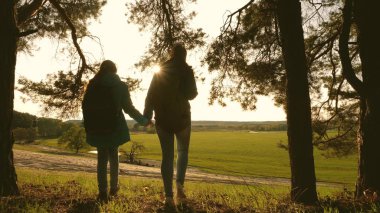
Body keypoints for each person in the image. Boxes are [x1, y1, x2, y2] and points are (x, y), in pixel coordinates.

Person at [82, 60, 150, 202]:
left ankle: (102, 192)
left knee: (102, 159)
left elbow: (86, 108)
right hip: (114, 127)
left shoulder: (92, 85)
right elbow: (129, 109)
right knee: (114, 156)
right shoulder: (120, 86)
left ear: (101, 70)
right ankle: (114, 188)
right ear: (115, 71)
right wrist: (144, 121)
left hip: (97, 127)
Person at [143, 44, 198, 207]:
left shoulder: (160, 70)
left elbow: (150, 94)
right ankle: (179, 185)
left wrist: (146, 116)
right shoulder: (187, 70)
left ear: (171, 54)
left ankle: (168, 196)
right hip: (182, 118)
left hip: (163, 119)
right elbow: (192, 94)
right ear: (184, 55)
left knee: (167, 156)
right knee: (182, 152)